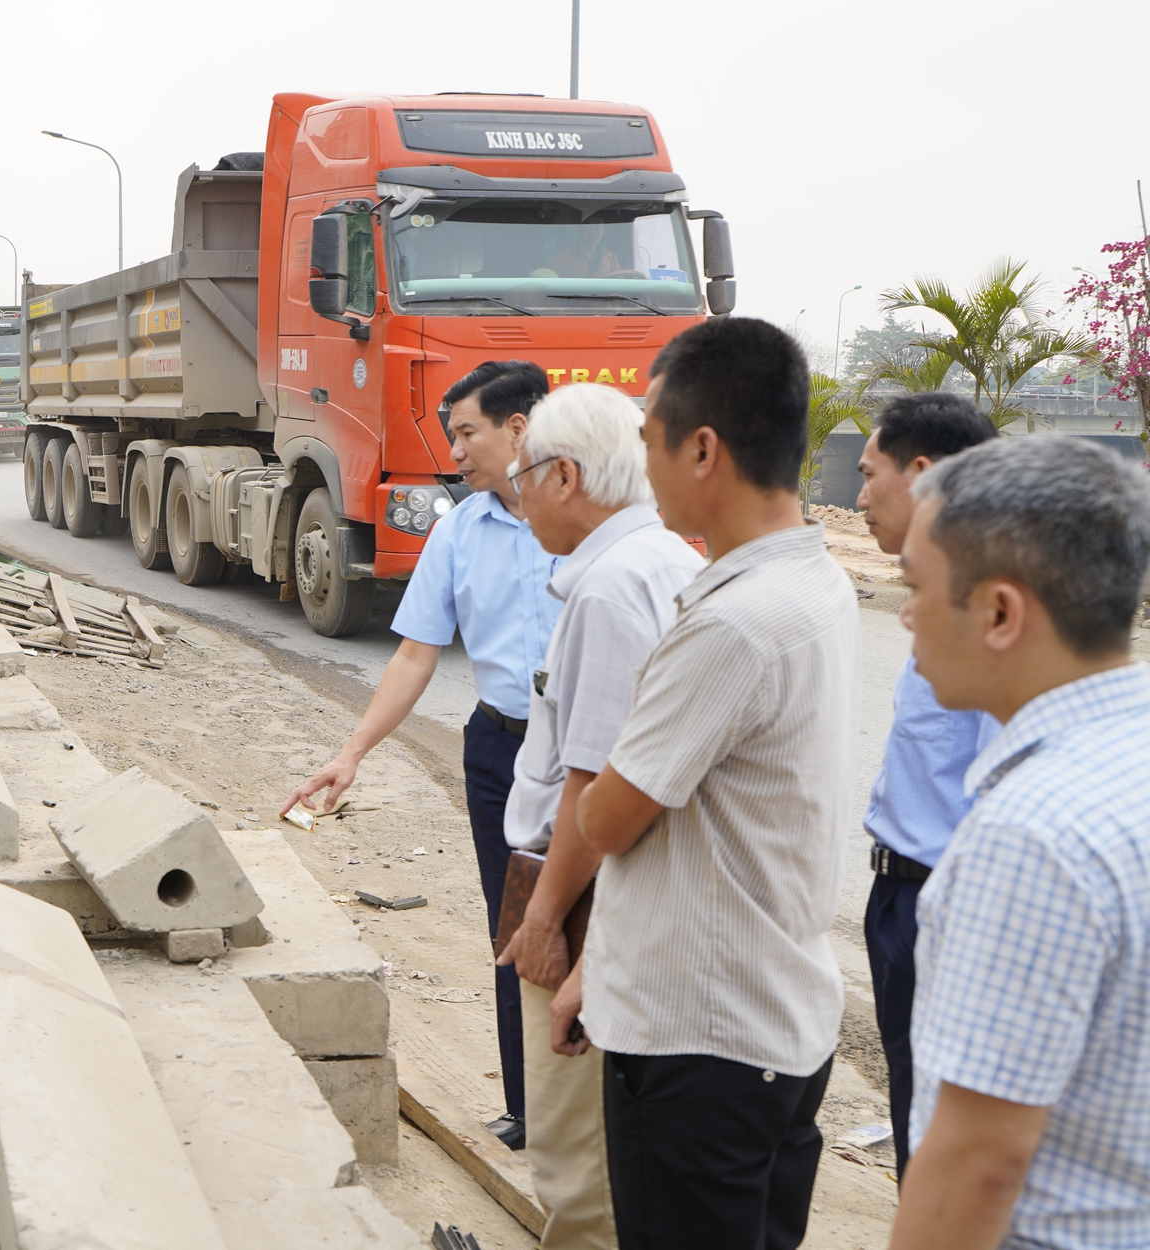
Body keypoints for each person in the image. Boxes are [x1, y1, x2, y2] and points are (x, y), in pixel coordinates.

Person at [558, 317, 859, 1250]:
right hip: (774, 1022)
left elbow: (607, 818)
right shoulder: (816, 582)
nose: (642, 466)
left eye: (649, 440)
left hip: (702, 1045)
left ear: (701, 449)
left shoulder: (732, 625)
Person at [284, 359, 557, 1149]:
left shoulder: (590, 521)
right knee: (515, 926)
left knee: (599, 924)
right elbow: (414, 653)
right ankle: (530, 1108)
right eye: (451, 436)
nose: (455, 452)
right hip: (501, 752)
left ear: (518, 428)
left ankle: (602, 1109)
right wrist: (353, 754)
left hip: (589, 756)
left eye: (466, 433)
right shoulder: (460, 530)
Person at [890, 436, 1150, 1250]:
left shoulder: (1030, 833)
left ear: (1000, 613)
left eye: (915, 587)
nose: (904, 614)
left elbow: (978, 1163)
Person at [493, 384, 704, 1247]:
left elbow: (594, 785)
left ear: (565, 476)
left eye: (523, 479)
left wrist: (545, 923)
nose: (519, 499)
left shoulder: (611, 590)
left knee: (577, 1163)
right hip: (632, 898)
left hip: (584, 897)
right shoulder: (665, 563)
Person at [852, 393, 998, 1175]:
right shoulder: (937, 593)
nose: (858, 497)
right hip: (900, 895)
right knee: (915, 1117)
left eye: (868, 474)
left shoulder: (988, 609)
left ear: (922, 472)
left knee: (944, 1144)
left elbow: (1005, 797)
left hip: (945, 906)